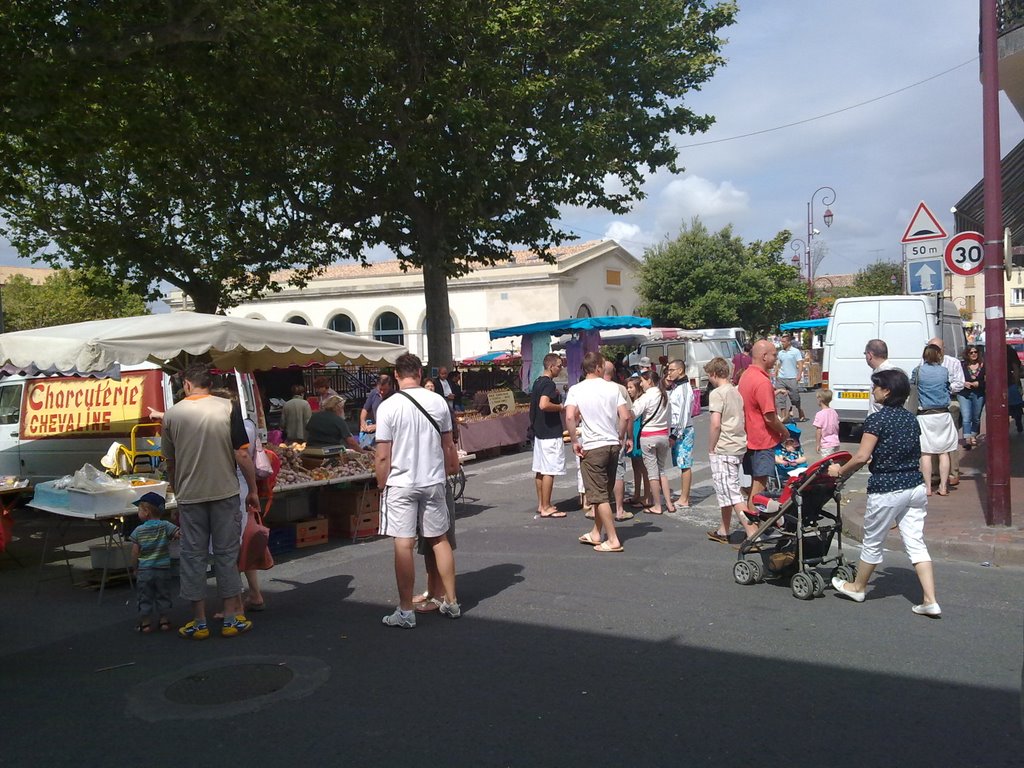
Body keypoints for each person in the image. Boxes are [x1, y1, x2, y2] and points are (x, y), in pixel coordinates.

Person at [828, 368, 940, 617]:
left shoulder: (877, 420)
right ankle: (930, 599)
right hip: (914, 486)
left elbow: (861, 456)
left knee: (873, 540)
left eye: (876, 386)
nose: (872, 390)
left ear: (887, 391)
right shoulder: (911, 419)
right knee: (915, 542)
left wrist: (839, 471)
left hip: (888, 489)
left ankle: (858, 587)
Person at [162, 364, 259, 640]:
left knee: (193, 556)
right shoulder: (228, 407)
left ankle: (199, 621)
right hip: (225, 491)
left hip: (190, 495)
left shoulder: (172, 414)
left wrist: (177, 487)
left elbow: (170, 460)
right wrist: (252, 489)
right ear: (209, 382)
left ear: (188, 384)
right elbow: (242, 455)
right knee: (227, 554)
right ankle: (231, 617)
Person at [376, 353, 461, 628]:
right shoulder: (437, 401)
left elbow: (382, 454)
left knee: (403, 543)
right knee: (440, 539)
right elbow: (449, 444)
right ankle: (450, 601)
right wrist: (451, 468)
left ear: (396, 375)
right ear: (420, 373)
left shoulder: (388, 406)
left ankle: (404, 610)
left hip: (401, 482)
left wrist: (381, 482)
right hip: (432, 479)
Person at [564, 351, 631, 553]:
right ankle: (596, 532)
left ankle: (612, 539)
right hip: (612, 443)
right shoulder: (613, 388)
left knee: (598, 495)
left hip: (593, 445)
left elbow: (569, 416)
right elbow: (625, 416)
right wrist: (621, 437)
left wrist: (575, 440)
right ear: (599, 367)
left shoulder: (576, 389)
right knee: (605, 490)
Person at [212, 387, 268, 614]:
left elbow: (241, 455)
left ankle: (234, 606)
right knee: (243, 545)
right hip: (243, 485)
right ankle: (255, 595)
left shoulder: (227, 427)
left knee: (227, 549)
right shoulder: (249, 425)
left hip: (228, 488)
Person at [738, 340, 789, 525]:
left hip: (748, 438)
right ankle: (754, 528)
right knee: (758, 488)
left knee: (754, 484)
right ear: (764, 356)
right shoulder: (762, 380)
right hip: (761, 440)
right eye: (774, 355)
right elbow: (770, 417)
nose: (776, 359)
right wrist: (784, 432)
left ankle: (755, 524)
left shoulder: (746, 376)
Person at [704, 357, 750, 543]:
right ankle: (724, 529)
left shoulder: (717, 393)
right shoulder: (736, 391)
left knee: (731, 491)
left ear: (714, 374)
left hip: (725, 446)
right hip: (738, 443)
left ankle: (751, 531)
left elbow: (715, 424)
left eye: (709, 376)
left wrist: (711, 446)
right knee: (726, 487)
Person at [129, 492, 180, 633]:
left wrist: (135, 568)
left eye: (139, 509)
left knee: (145, 595)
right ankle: (164, 620)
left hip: (145, 570)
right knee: (163, 594)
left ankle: (145, 623)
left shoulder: (138, 530)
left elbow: (134, 552)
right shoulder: (165, 526)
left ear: (146, 512)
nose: (138, 512)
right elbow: (178, 533)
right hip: (163, 568)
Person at [911, 344, 957, 497]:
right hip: (943, 414)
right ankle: (943, 487)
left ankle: (928, 487)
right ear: (938, 355)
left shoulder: (918, 371)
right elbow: (948, 387)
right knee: (944, 452)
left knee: (926, 453)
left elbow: (913, 386)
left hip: (925, 414)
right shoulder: (944, 371)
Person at [530, 353, 567, 518]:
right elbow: (544, 404)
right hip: (550, 433)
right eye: (559, 365)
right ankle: (546, 506)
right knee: (549, 470)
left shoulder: (538, 382)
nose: (561, 368)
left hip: (539, 431)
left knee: (540, 469)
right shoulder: (548, 384)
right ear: (551, 366)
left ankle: (542, 504)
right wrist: (560, 406)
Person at [633, 369, 673, 515]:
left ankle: (657, 505)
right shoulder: (665, 395)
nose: (641, 385)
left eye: (642, 381)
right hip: (663, 436)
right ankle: (669, 503)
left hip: (649, 436)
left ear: (649, 381)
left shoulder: (646, 397)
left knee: (652, 473)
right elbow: (670, 419)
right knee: (662, 470)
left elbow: (633, 413)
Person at [928, 337, 964, 488]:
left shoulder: (953, 362)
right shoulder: (924, 363)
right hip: (931, 404)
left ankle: (952, 473)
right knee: (932, 440)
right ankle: (935, 473)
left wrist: (945, 388)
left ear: (943, 348)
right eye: (931, 347)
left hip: (950, 401)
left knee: (950, 439)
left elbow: (960, 382)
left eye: (937, 348)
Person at [603, 361, 635, 521]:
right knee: (618, 472)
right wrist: (628, 437)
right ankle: (619, 509)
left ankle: (598, 508)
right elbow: (627, 415)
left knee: (599, 472)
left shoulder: (590, 388)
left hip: (597, 437)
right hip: (616, 435)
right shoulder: (620, 389)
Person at [664, 358, 696, 509]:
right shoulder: (676, 387)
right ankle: (683, 495)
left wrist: (675, 435)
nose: (669, 373)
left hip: (683, 431)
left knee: (685, 464)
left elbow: (683, 414)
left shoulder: (684, 388)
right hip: (675, 429)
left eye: (671, 370)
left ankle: (685, 498)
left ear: (680, 370)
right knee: (680, 463)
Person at [625, 376, 652, 509]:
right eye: (627, 387)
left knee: (643, 467)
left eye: (631, 387)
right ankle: (636, 494)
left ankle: (647, 496)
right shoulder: (632, 402)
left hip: (639, 435)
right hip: (633, 435)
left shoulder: (641, 401)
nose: (628, 390)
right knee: (636, 466)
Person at [773, 334, 805, 422]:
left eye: (783, 342)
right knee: (780, 398)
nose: (782, 343)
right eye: (781, 342)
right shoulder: (780, 353)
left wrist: (799, 374)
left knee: (795, 397)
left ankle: (799, 410)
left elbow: (800, 364)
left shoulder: (795, 351)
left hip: (792, 378)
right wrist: (775, 373)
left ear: (789, 342)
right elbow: (778, 364)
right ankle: (783, 417)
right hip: (781, 378)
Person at [958, 345, 985, 449]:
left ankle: (973, 435)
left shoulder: (983, 365)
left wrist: (979, 383)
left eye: (975, 352)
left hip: (978, 393)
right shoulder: (962, 365)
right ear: (967, 354)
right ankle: (968, 439)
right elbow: (956, 377)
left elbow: (988, 380)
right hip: (964, 393)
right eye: (971, 352)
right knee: (966, 417)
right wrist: (963, 383)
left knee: (976, 417)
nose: (973, 354)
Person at [359, 373, 394, 448]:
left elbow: (394, 421)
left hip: (390, 435)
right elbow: (365, 409)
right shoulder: (374, 393)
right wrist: (363, 421)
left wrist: (377, 426)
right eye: (380, 389)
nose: (382, 392)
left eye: (385, 389)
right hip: (375, 432)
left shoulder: (395, 397)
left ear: (390, 387)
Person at [865, 339, 897, 416]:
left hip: (883, 422)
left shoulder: (887, 373)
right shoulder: (892, 371)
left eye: (865, 354)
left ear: (869, 355)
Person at [813, 389, 840, 456]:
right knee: (834, 462)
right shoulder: (834, 412)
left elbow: (819, 430)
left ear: (820, 399)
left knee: (827, 463)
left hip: (826, 444)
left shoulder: (820, 414)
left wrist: (818, 444)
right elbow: (837, 426)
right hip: (835, 442)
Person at [1008, 345, 1023, 433]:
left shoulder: (1010, 351)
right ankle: (1018, 422)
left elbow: (1016, 367)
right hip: (1006, 383)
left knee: (1016, 405)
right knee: (1015, 406)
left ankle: (1018, 422)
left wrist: (1016, 382)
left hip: (1012, 383)